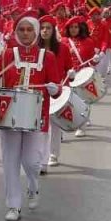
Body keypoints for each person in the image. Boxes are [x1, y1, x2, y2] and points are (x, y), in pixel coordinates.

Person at [0, 15, 61, 221]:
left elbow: (56, 88)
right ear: (16, 32)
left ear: (36, 33)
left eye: (29, 30)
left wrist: (55, 88)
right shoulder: (8, 54)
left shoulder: (48, 56)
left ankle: (33, 187)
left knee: (32, 162)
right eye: (21, 30)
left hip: (37, 117)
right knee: (10, 161)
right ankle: (13, 205)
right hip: (9, 115)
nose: (25, 33)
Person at [37, 15, 71, 170]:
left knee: (55, 125)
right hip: (39, 92)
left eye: (48, 28)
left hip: (58, 90)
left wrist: (71, 74)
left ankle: (53, 154)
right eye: (42, 28)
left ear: (53, 30)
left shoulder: (63, 48)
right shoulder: (34, 48)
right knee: (41, 125)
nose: (45, 31)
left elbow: (69, 67)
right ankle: (41, 156)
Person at [62, 16, 100, 138]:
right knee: (65, 103)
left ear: (80, 28)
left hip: (82, 76)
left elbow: (92, 62)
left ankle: (81, 126)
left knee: (82, 102)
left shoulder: (88, 42)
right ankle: (60, 130)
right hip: (67, 76)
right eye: (71, 27)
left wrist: (96, 59)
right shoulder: (63, 42)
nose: (73, 29)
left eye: (76, 27)